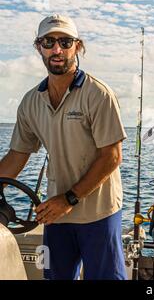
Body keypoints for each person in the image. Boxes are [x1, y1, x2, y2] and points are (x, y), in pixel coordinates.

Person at [0, 14, 128, 280]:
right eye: (49, 42)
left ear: (77, 46)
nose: (57, 50)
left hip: (98, 213)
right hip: (55, 215)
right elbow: (17, 155)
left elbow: (112, 156)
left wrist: (69, 199)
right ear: (39, 47)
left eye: (65, 42)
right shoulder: (30, 102)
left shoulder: (98, 94)